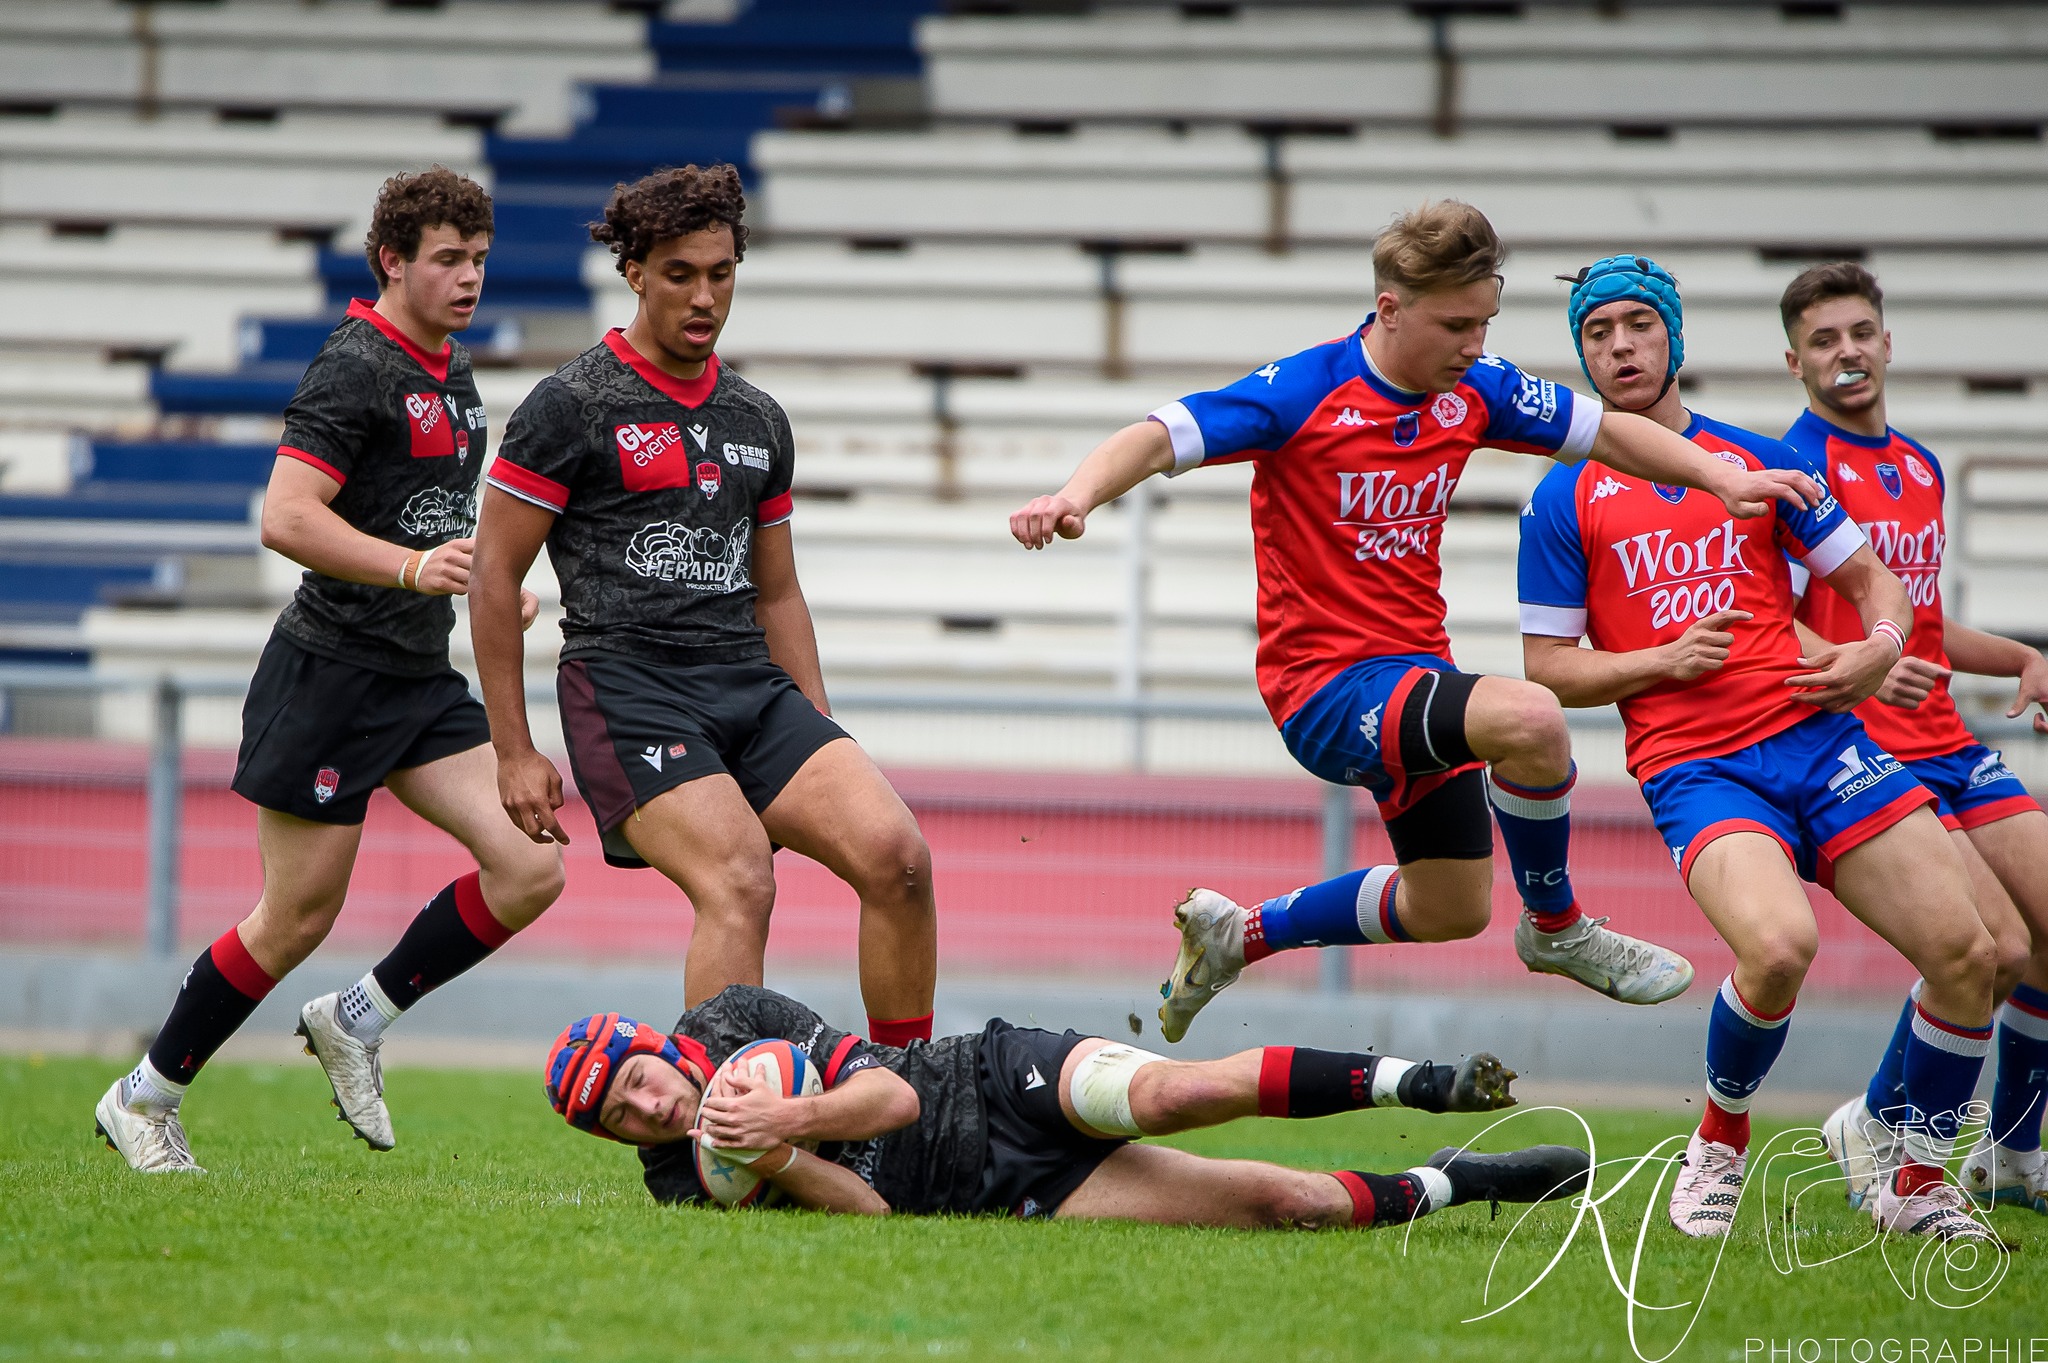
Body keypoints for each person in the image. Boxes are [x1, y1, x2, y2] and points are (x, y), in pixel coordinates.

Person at [1011, 200, 1822, 1042]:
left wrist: (1716, 477)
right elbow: (1156, 435)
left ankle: (1237, 935)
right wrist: (1074, 496)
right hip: (1322, 687)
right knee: (1533, 718)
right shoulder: (1305, 391)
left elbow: (1607, 435)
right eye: (1456, 325)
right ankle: (1557, 927)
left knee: (1449, 905)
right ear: (1390, 309)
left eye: (1485, 323)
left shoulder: (1475, 389)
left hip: (1414, 677)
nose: (1475, 344)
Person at [1516, 254, 1998, 1242]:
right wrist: (1660, 658)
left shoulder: (1758, 461)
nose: (1618, 346)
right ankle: (1718, 1137)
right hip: (1697, 768)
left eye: (1635, 326)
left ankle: (1911, 1180)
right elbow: (1550, 670)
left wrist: (1874, 651)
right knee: (1777, 949)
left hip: (1818, 743)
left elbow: (1876, 586)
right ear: (1581, 353)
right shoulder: (1564, 496)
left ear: (1671, 337)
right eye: (1597, 331)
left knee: (1969, 955)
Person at [94, 167, 566, 1174]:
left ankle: (356, 1018)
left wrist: (485, 581)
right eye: (447, 259)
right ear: (391, 262)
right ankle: (144, 1095)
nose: (469, 278)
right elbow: (285, 516)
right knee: (298, 915)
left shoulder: (451, 371)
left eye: (479, 259)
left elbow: (431, 516)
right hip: (329, 676)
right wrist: (411, 568)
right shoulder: (353, 366)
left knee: (529, 867)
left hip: (414, 676)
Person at [471, 165, 937, 1044]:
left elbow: (780, 590)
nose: (705, 295)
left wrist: (821, 730)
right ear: (635, 270)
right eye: (681, 273)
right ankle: (721, 1134)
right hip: (629, 687)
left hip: (751, 690)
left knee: (899, 858)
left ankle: (915, 1102)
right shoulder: (570, 407)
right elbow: (494, 576)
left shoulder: (758, 416)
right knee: (741, 877)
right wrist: (512, 749)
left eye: (720, 273)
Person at [1775, 261, 2048, 1216]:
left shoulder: (1919, 463)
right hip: (1865, 749)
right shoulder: (1789, 475)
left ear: (1887, 342)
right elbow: (1771, 619)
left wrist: (2019, 654)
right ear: (1795, 361)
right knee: (1991, 948)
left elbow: (1925, 619)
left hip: (1947, 737)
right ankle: (1883, 1125)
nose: (1845, 351)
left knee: (2044, 933)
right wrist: (1865, 654)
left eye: (1859, 332)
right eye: (1822, 339)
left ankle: (2012, 1157)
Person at [540, 985, 1591, 1228]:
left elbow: (891, 1096)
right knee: (1286, 1205)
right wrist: (772, 1160)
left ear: (647, 1045)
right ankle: (1469, 1177)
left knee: (1179, 1092)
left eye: (635, 1081)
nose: (647, 1110)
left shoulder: (733, 1021)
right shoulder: (684, 1182)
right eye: (619, 1119)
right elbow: (872, 1221)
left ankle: (1415, 1081)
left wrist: (786, 1118)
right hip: (1002, 1190)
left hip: (990, 1076)